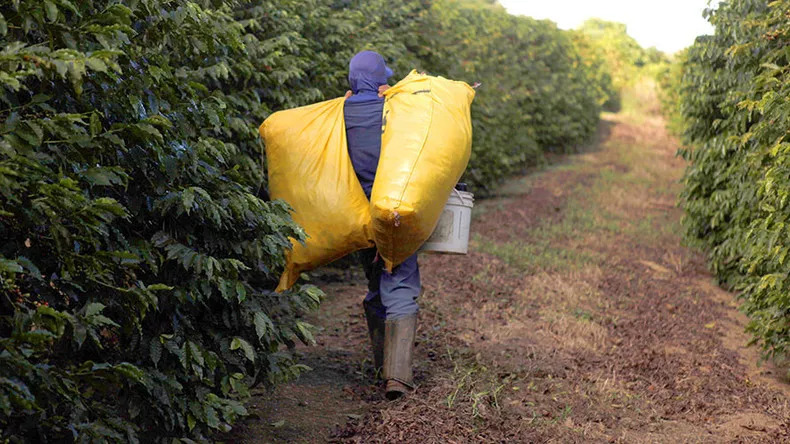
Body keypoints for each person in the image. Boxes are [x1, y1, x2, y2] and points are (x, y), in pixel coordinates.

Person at [343, 50, 421, 400]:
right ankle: (397, 376)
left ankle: (380, 367)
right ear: (380, 80)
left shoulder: (337, 114)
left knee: (374, 280)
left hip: (356, 215)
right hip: (394, 211)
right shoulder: (394, 111)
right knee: (400, 278)